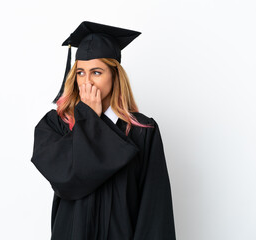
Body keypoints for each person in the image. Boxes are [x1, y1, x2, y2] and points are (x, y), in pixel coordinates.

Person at [30, 21, 176, 240]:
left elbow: (154, 209)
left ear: (115, 76)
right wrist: (88, 117)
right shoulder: (56, 125)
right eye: (80, 72)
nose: (86, 81)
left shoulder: (142, 131)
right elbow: (66, 180)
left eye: (96, 72)